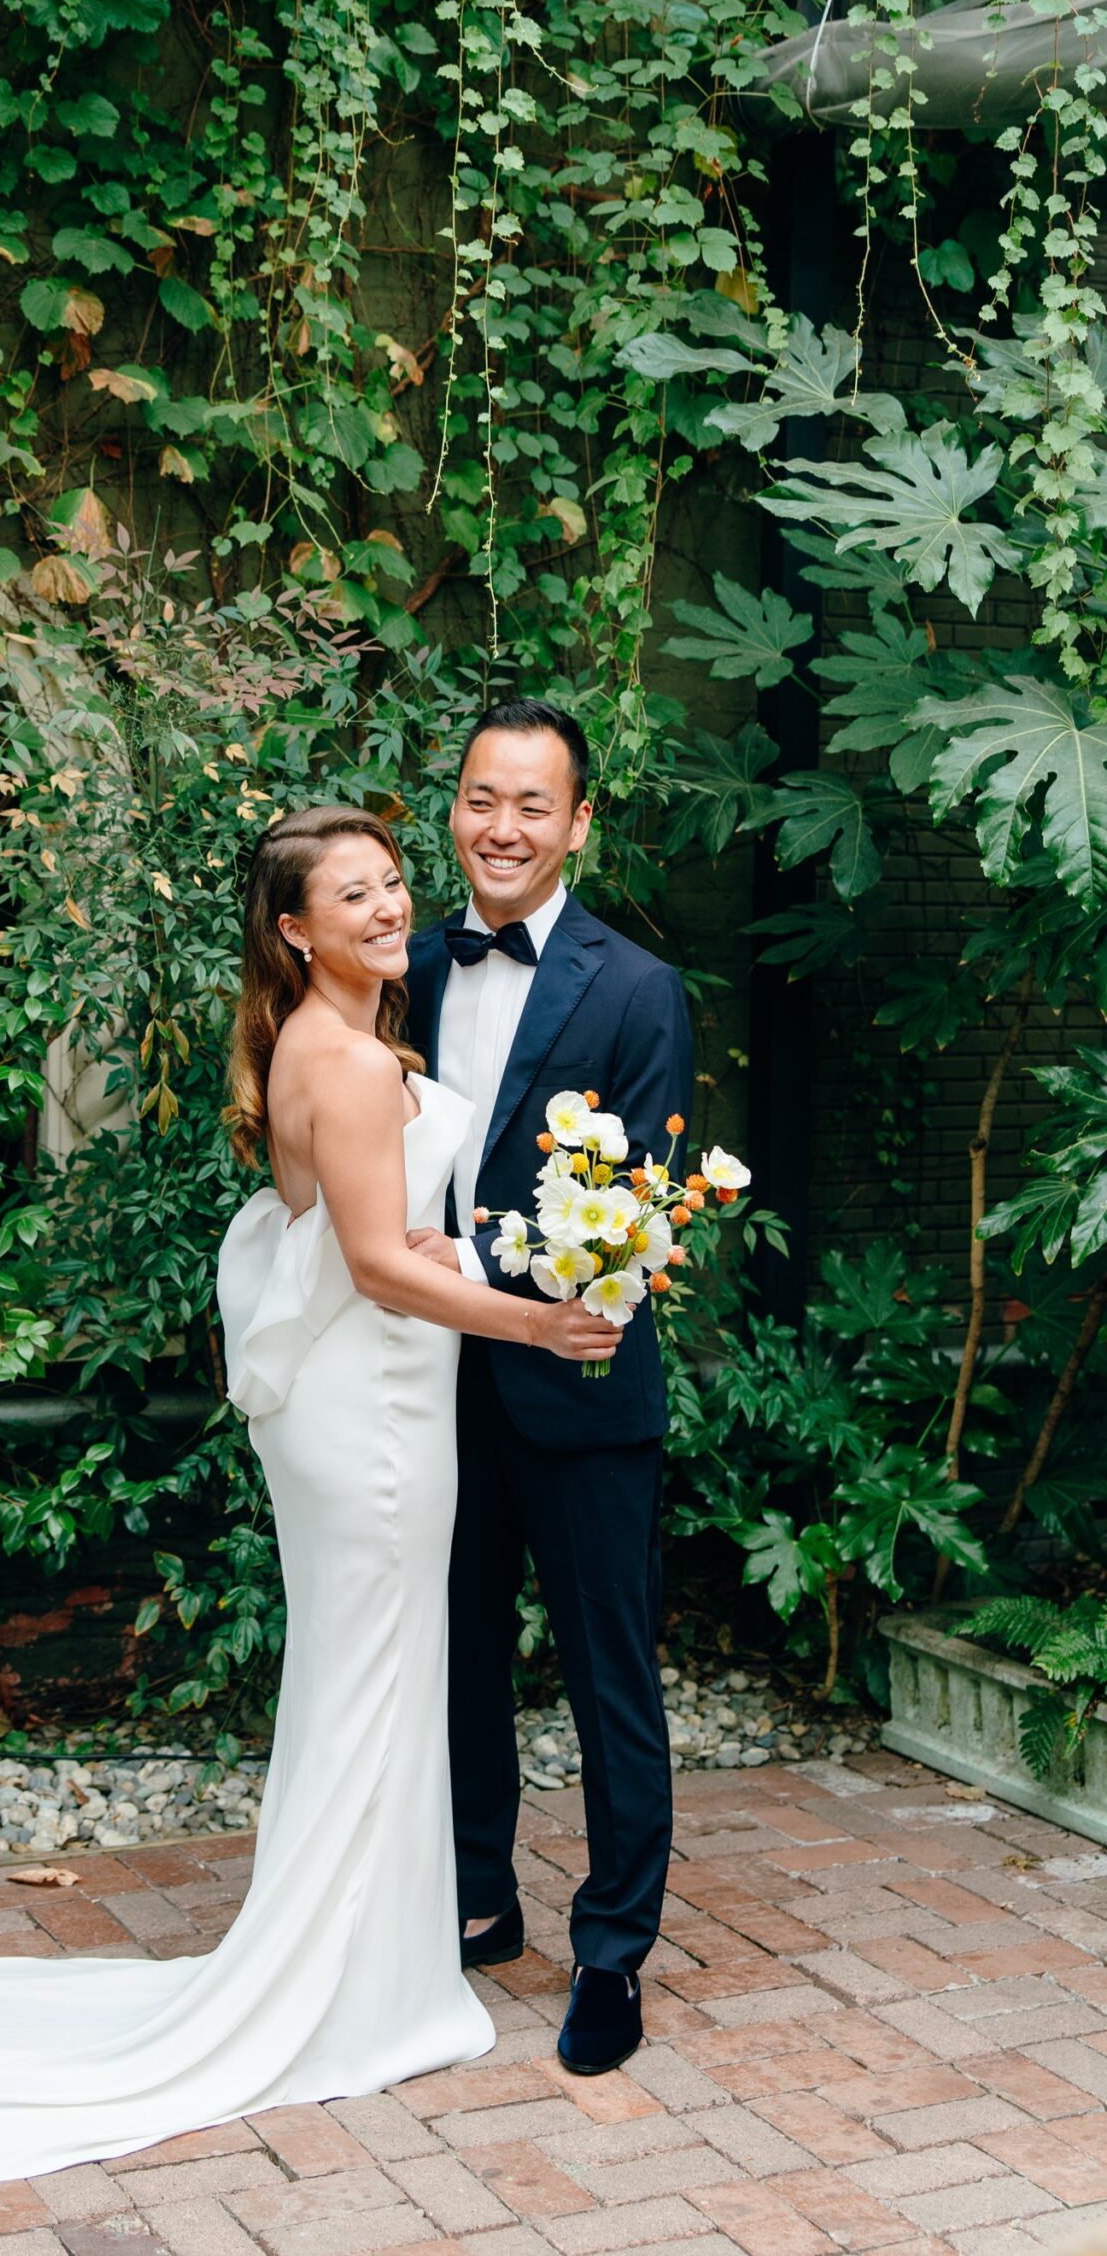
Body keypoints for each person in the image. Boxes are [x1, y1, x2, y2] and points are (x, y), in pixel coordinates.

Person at [0, 803, 619, 2187]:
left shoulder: (330, 1044)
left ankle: (374, 1972)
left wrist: (420, 1244)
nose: (386, 910)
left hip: (363, 1400)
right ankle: (352, 1995)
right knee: (372, 1677)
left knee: (362, 1676)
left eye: (391, 885)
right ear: (295, 929)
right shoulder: (354, 1062)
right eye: (352, 897)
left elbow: (338, 1231)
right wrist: (538, 1321)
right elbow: (372, 1268)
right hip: (373, 1418)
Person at [402, 698, 693, 2079]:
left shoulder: (637, 990)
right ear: (451, 810)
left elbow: (638, 1212)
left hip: (580, 1390)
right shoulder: (400, 965)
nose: (500, 827)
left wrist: (505, 1278)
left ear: (578, 823)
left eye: (531, 805)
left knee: (607, 1676)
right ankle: (478, 1897)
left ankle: (615, 1951)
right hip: (427, 1382)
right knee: (455, 1656)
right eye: (479, 799)